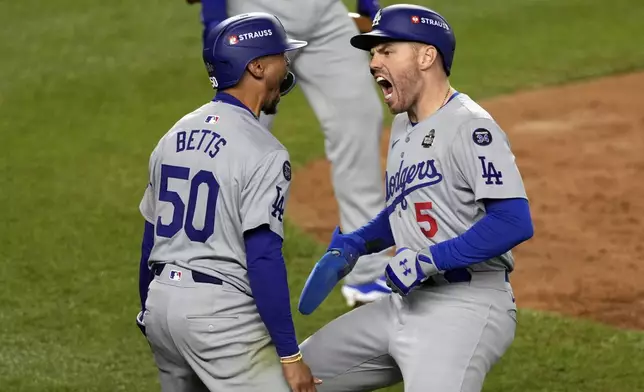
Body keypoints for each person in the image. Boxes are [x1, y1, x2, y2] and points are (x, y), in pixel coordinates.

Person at [297, 4, 534, 391]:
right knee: (288, 378)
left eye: (386, 51)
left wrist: (428, 260)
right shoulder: (404, 126)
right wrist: (359, 244)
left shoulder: (471, 127)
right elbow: (408, 208)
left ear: (427, 56)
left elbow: (513, 221)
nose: (373, 62)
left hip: (466, 306)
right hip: (404, 303)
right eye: (372, 53)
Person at [135, 12, 321, 392]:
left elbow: (149, 239)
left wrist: (149, 308)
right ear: (256, 67)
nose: (286, 66)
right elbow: (264, 256)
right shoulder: (265, 152)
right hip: (218, 318)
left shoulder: (173, 135)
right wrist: (290, 355)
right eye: (280, 57)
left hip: (160, 306)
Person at [186, 0, 394, 307]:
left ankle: (368, 272)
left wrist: (366, 4)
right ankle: (209, 270)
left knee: (359, 120)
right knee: (237, 136)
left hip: (325, 16)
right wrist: (214, 21)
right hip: (253, 17)